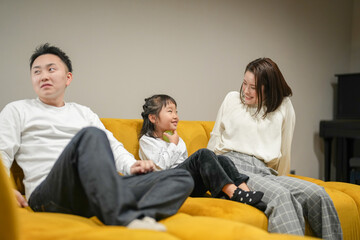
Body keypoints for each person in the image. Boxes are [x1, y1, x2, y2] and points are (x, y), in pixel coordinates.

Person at [0, 43, 195, 231]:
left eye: (51, 69)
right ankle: (125, 217)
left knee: (181, 177)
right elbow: (2, 152)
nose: (43, 76)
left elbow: (113, 146)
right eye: (37, 71)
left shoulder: (84, 113)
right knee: (91, 135)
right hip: (50, 193)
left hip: (95, 192)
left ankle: (123, 210)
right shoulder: (17, 110)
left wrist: (130, 165)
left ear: (68, 78)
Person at [207, 57, 342, 239]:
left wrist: (280, 179)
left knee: (317, 194)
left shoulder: (284, 107)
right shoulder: (231, 99)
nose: (245, 91)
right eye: (244, 83)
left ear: (269, 88)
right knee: (281, 197)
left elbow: (284, 152)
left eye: (253, 87)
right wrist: (214, 178)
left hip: (265, 170)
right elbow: (215, 140)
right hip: (232, 167)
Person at [138, 94, 266, 211]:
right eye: (170, 111)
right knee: (203, 154)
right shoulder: (147, 141)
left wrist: (175, 143)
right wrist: (173, 144)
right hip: (167, 185)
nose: (175, 116)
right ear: (153, 118)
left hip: (186, 184)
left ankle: (245, 193)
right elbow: (160, 167)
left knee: (223, 159)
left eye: (176, 112)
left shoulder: (178, 140)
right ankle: (234, 194)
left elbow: (184, 165)